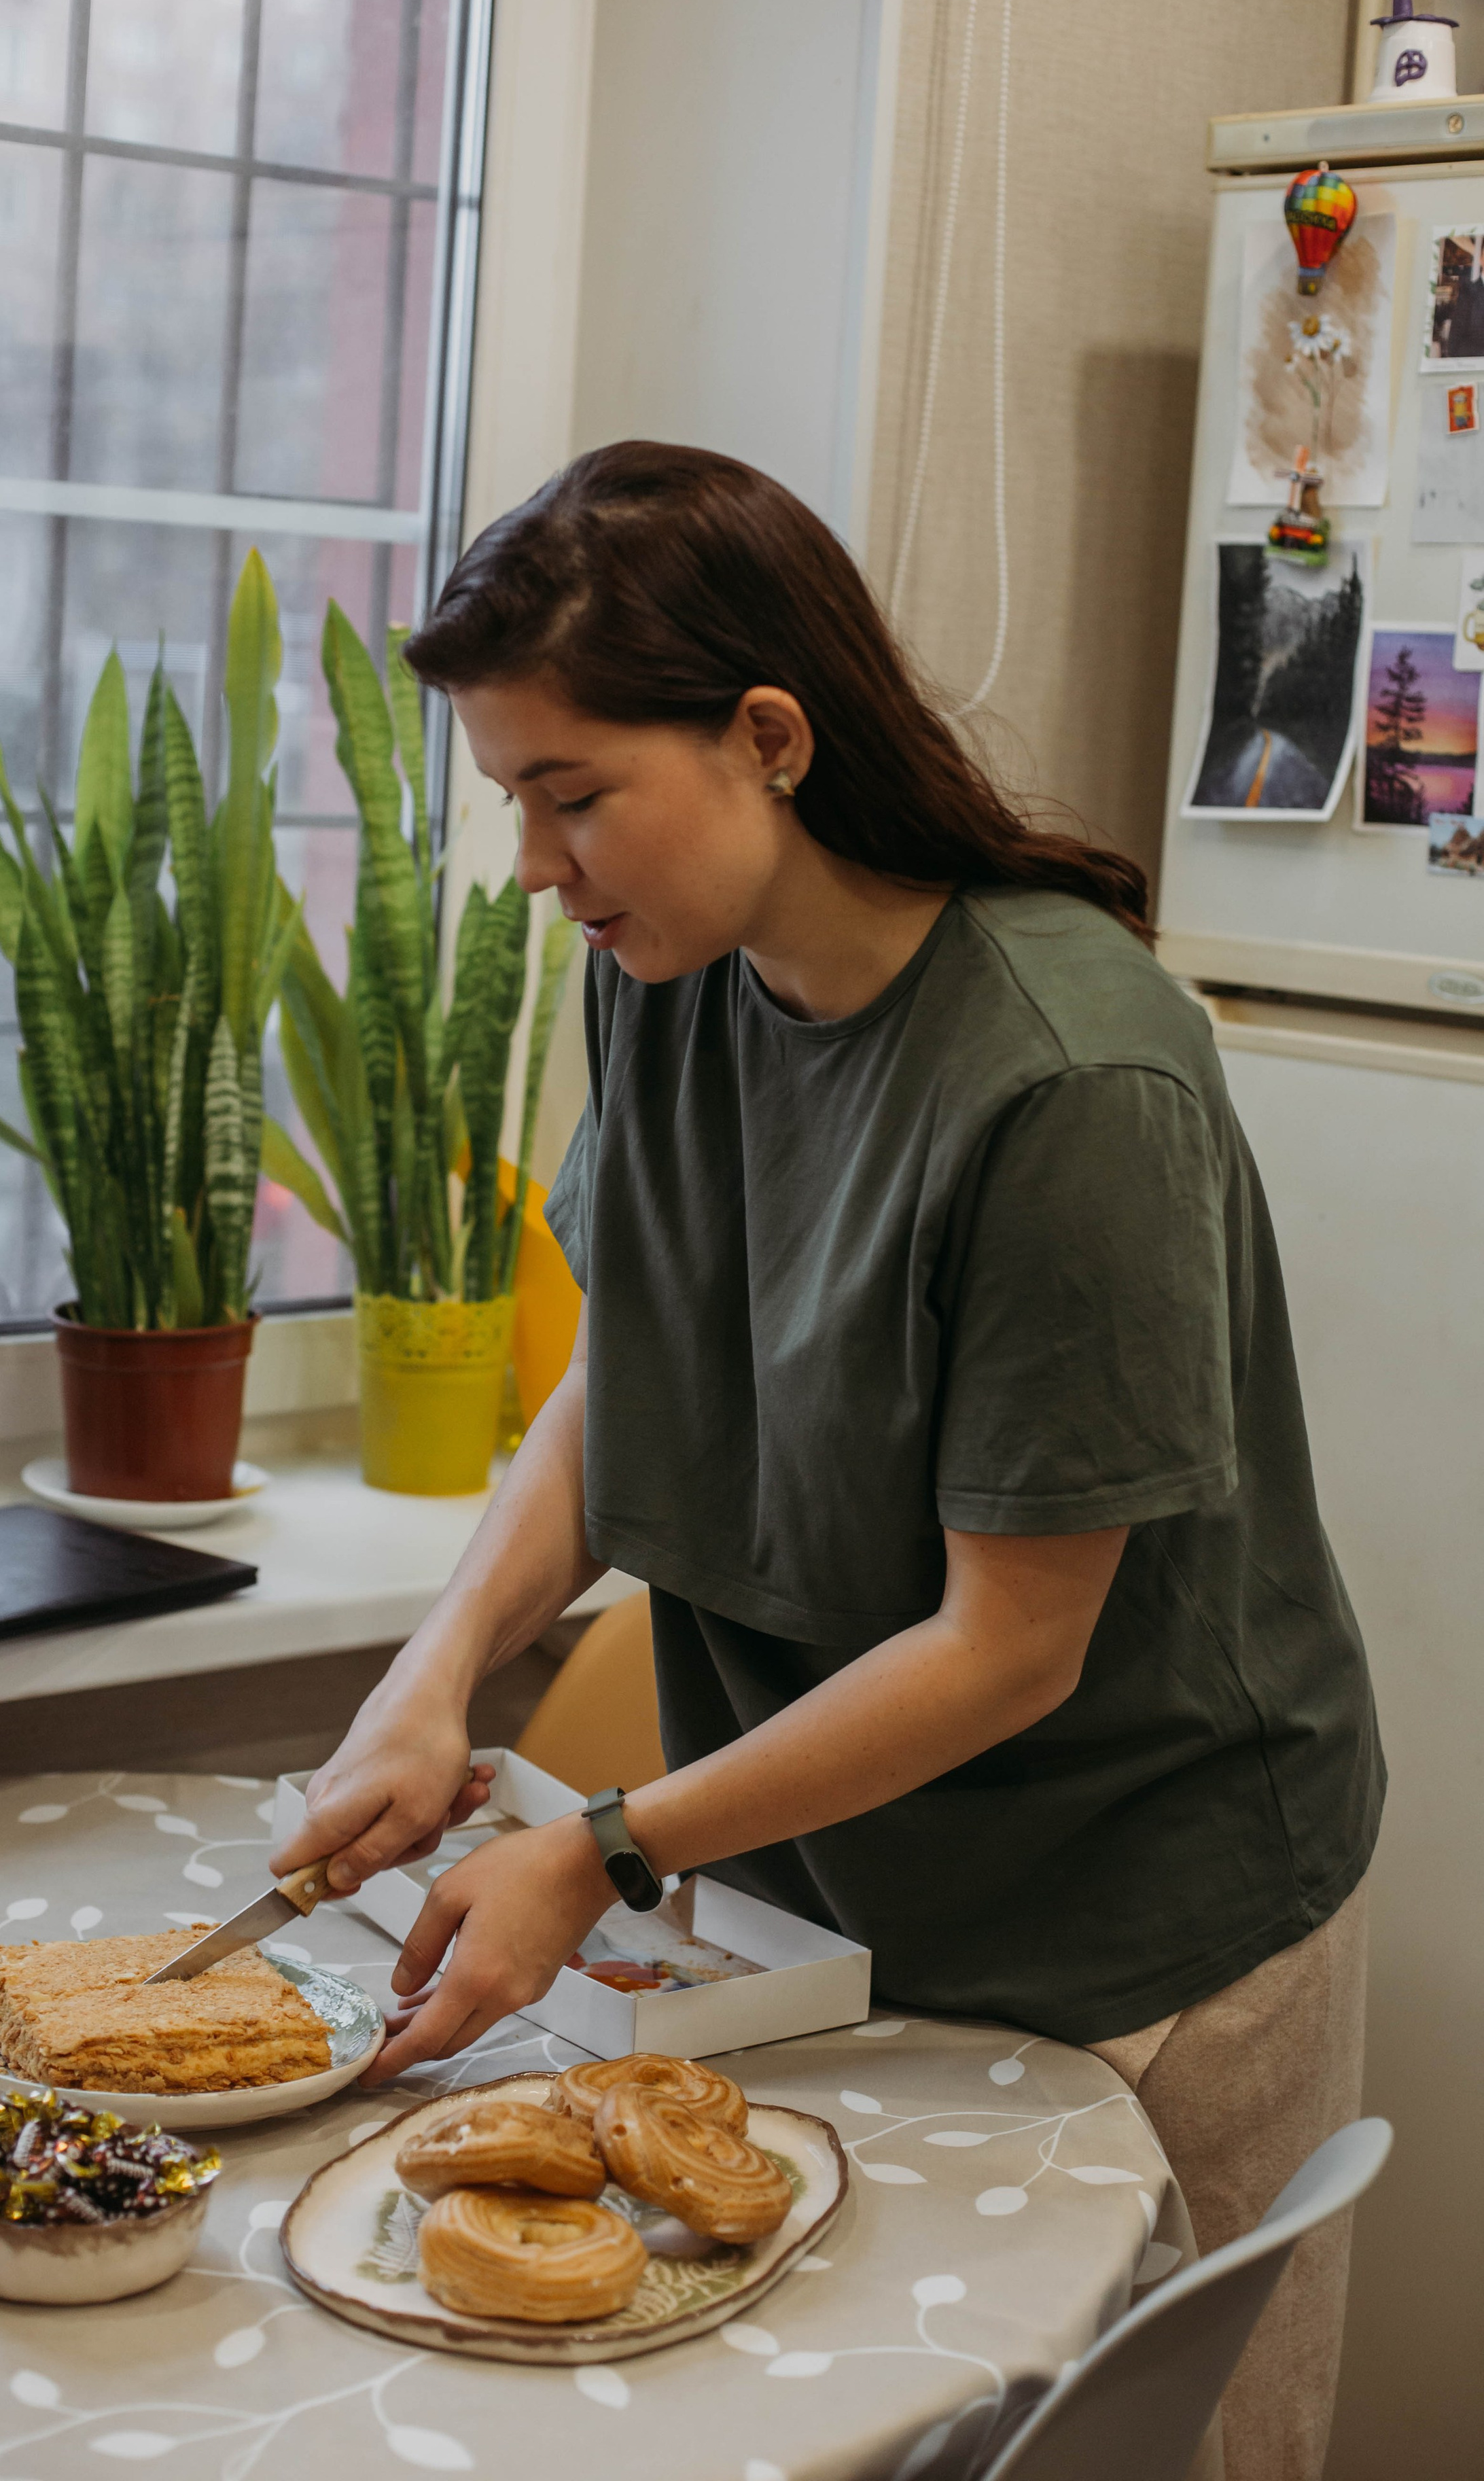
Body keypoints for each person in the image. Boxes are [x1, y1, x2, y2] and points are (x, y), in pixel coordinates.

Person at [272, 442, 1383, 2481]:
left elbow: (1010, 1649)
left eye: (571, 792)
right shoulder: (670, 988)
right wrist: (436, 1683)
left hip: (1143, 1930)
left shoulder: (1072, 1076)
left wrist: (602, 1844)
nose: (535, 864)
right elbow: (636, 1370)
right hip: (832, 1905)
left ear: (769, 739)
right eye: (514, 798)